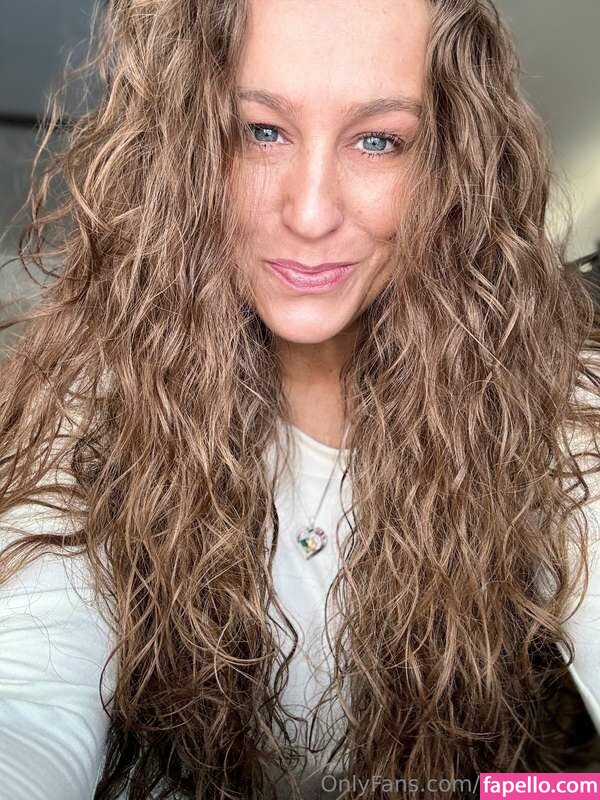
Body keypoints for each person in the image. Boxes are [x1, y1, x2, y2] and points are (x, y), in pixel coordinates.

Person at [1, 0, 600, 798]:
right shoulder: (88, 391)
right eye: (261, 131)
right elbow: (28, 700)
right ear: (184, 150)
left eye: (379, 140)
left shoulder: (559, 398)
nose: (311, 212)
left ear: (452, 167)